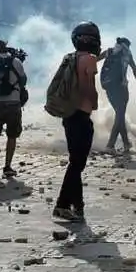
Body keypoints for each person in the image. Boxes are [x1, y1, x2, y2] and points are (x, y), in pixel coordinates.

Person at [52, 21, 100, 222]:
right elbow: (88, 87)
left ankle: (77, 205)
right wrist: (95, 101)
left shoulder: (70, 58)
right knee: (77, 163)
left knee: (75, 161)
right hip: (82, 116)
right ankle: (62, 205)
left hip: (69, 115)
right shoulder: (89, 59)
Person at [0, 39, 27, 177]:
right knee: (12, 135)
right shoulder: (15, 62)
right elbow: (23, 80)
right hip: (13, 102)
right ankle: (7, 166)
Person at [98, 37, 136, 153]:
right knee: (120, 116)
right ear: (127, 45)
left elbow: (94, 60)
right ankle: (110, 145)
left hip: (109, 88)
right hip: (122, 89)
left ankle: (126, 144)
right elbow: (135, 70)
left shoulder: (109, 51)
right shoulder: (127, 54)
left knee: (120, 115)